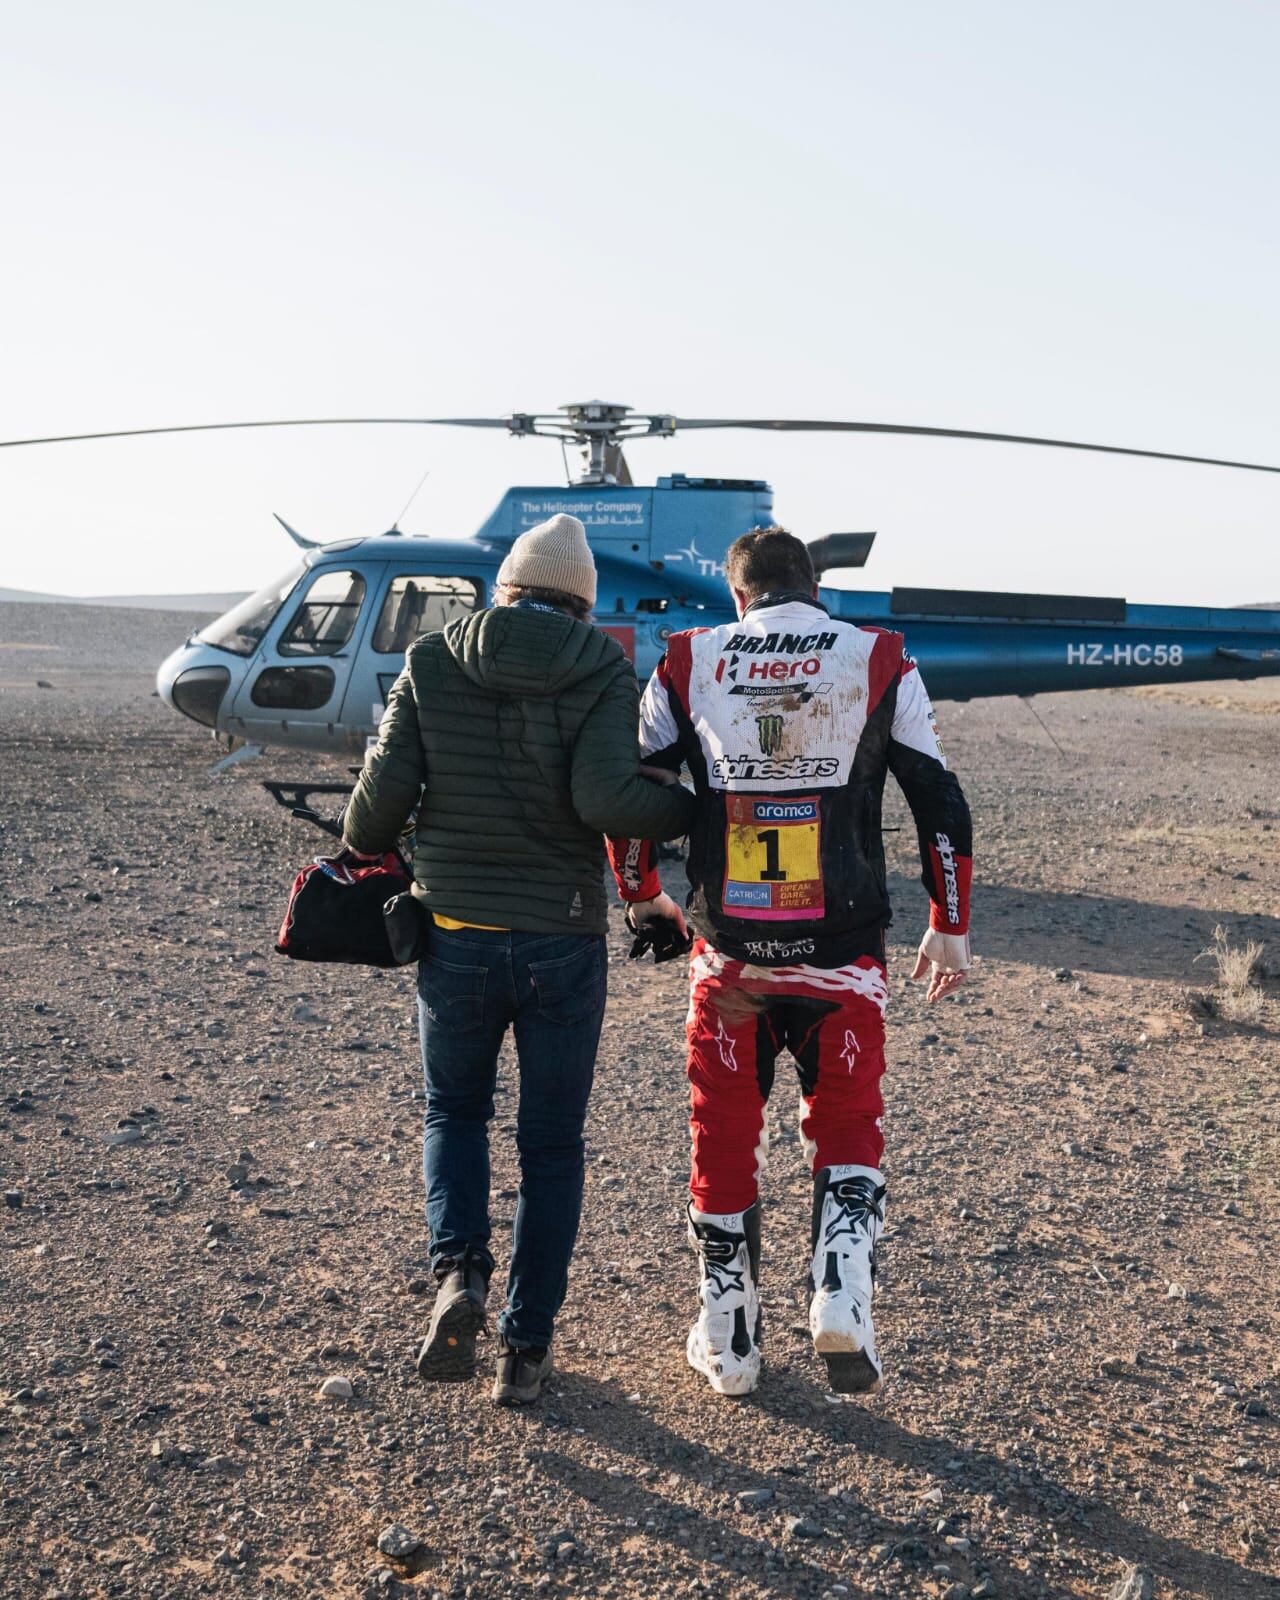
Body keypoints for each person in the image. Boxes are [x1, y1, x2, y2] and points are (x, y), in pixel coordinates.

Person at [607, 526, 973, 1397]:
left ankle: (729, 1341)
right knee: (848, 1122)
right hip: (842, 953)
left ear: (738, 597)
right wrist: (949, 921)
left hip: (730, 955)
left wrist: (640, 890)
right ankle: (842, 1293)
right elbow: (939, 799)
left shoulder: (688, 658)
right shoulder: (882, 658)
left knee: (723, 1135)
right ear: (816, 588)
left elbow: (635, 791)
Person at [341, 514, 695, 1406]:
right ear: (580, 601)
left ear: (504, 587)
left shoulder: (430, 662)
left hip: (453, 936)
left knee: (453, 1113)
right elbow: (606, 799)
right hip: (561, 943)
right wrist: (695, 810)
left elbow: (369, 820)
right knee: (550, 1147)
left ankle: (459, 1275)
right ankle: (526, 1350)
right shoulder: (602, 670)